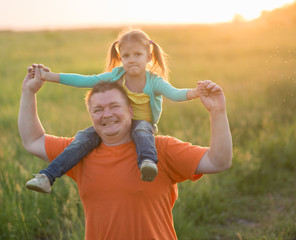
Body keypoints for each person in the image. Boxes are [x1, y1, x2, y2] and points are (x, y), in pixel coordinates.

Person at [18, 66, 232, 239]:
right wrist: (28, 92)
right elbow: (33, 140)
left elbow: (219, 161)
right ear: (90, 116)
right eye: (98, 110)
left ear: (131, 110)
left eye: (114, 106)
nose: (107, 114)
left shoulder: (161, 149)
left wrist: (218, 112)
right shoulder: (78, 152)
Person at [26, 29, 202, 193]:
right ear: (120, 58)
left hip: (143, 125)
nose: (131, 59)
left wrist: (195, 93)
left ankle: (147, 162)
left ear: (149, 57)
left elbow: (175, 94)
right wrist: (49, 76)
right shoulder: (117, 75)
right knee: (83, 139)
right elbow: (86, 80)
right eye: (126, 55)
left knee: (141, 130)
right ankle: (47, 177)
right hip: (117, 123)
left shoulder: (154, 81)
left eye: (137, 54)